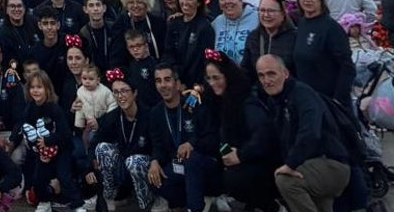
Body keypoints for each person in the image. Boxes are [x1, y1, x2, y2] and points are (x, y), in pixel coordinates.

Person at [255, 55, 352, 212]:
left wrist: (290, 164)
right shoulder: (276, 101)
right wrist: (242, 154)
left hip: (331, 164)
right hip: (311, 165)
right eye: (261, 75)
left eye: (271, 73)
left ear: (285, 73)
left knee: (286, 181)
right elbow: (267, 136)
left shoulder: (302, 94)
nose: (266, 80)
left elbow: (310, 133)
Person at [202, 52, 278, 212]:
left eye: (217, 78)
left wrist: (240, 155)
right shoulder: (217, 102)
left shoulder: (247, 103)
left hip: (263, 164)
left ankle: (273, 206)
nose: (212, 83)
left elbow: (264, 137)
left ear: (228, 77)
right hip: (239, 160)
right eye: (209, 79)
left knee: (234, 179)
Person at [146, 62, 219, 212]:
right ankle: (194, 200)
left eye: (167, 79)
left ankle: (195, 208)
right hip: (178, 166)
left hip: (205, 165)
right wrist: (154, 161)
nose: (163, 85)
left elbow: (213, 138)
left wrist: (192, 144)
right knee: (154, 178)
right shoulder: (156, 113)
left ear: (177, 83)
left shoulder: (194, 104)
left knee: (191, 159)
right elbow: (157, 145)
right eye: (158, 81)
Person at [15, 70, 82, 212]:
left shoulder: (55, 109)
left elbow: (65, 134)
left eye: (39, 87)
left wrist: (48, 140)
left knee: (64, 177)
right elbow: (29, 133)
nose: (35, 91)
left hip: (62, 150)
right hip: (42, 152)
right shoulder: (29, 110)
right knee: (38, 179)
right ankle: (45, 202)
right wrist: (39, 149)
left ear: (47, 89)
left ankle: (77, 204)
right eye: (32, 87)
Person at [91, 69, 153, 212]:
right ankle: (109, 196)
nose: (120, 96)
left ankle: (145, 202)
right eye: (116, 92)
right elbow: (96, 140)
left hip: (143, 166)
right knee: (102, 148)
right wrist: (90, 163)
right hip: (123, 163)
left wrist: (155, 162)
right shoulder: (113, 116)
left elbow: (157, 145)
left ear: (135, 92)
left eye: (124, 91)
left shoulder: (148, 115)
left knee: (134, 162)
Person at [290, 0, 354, 105]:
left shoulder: (331, 27)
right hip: (309, 99)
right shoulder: (301, 24)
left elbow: (347, 67)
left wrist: (338, 99)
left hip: (330, 100)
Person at [162, 0, 215, 91]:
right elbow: (168, 53)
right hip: (175, 82)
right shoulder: (173, 23)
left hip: (195, 86)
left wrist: (189, 84)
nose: (184, 2)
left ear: (199, 2)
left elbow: (203, 62)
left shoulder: (205, 27)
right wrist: (175, 79)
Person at [241, 0, 295, 84]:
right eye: (262, 10)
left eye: (271, 11)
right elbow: (246, 72)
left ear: (282, 14)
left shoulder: (294, 37)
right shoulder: (253, 38)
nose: (266, 15)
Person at [210, 0, 256, 64]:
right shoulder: (216, 23)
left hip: (250, 74)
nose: (227, 1)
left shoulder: (257, 18)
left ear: (240, 0)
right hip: (224, 74)